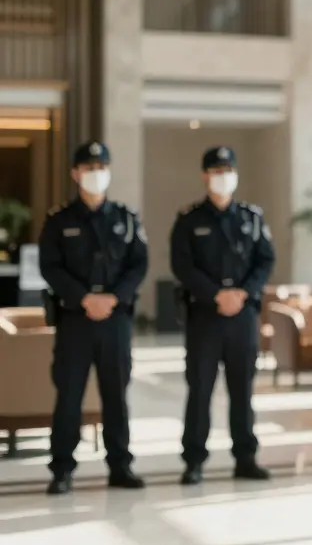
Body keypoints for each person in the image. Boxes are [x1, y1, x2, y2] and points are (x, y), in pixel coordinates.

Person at [39, 141, 149, 495]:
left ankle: (120, 466)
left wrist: (113, 298)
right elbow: (50, 267)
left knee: (116, 394)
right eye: (87, 167)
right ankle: (62, 469)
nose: (95, 173)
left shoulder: (126, 219)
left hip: (115, 319)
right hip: (75, 319)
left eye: (100, 166)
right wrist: (84, 298)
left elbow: (138, 264)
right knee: (69, 395)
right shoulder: (59, 220)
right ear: (75, 173)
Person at [170, 146, 275, 485]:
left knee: (242, 389)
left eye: (228, 169)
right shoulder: (189, 219)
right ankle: (194, 461)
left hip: (242, 315)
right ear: (205, 176)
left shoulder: (251, 218)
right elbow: (182, 265)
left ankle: (245, 457)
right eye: (216, 170)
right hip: (205, 315)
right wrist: (216, 294)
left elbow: (265, 261)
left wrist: (242, 293)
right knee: (200, 389)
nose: (222, 175)